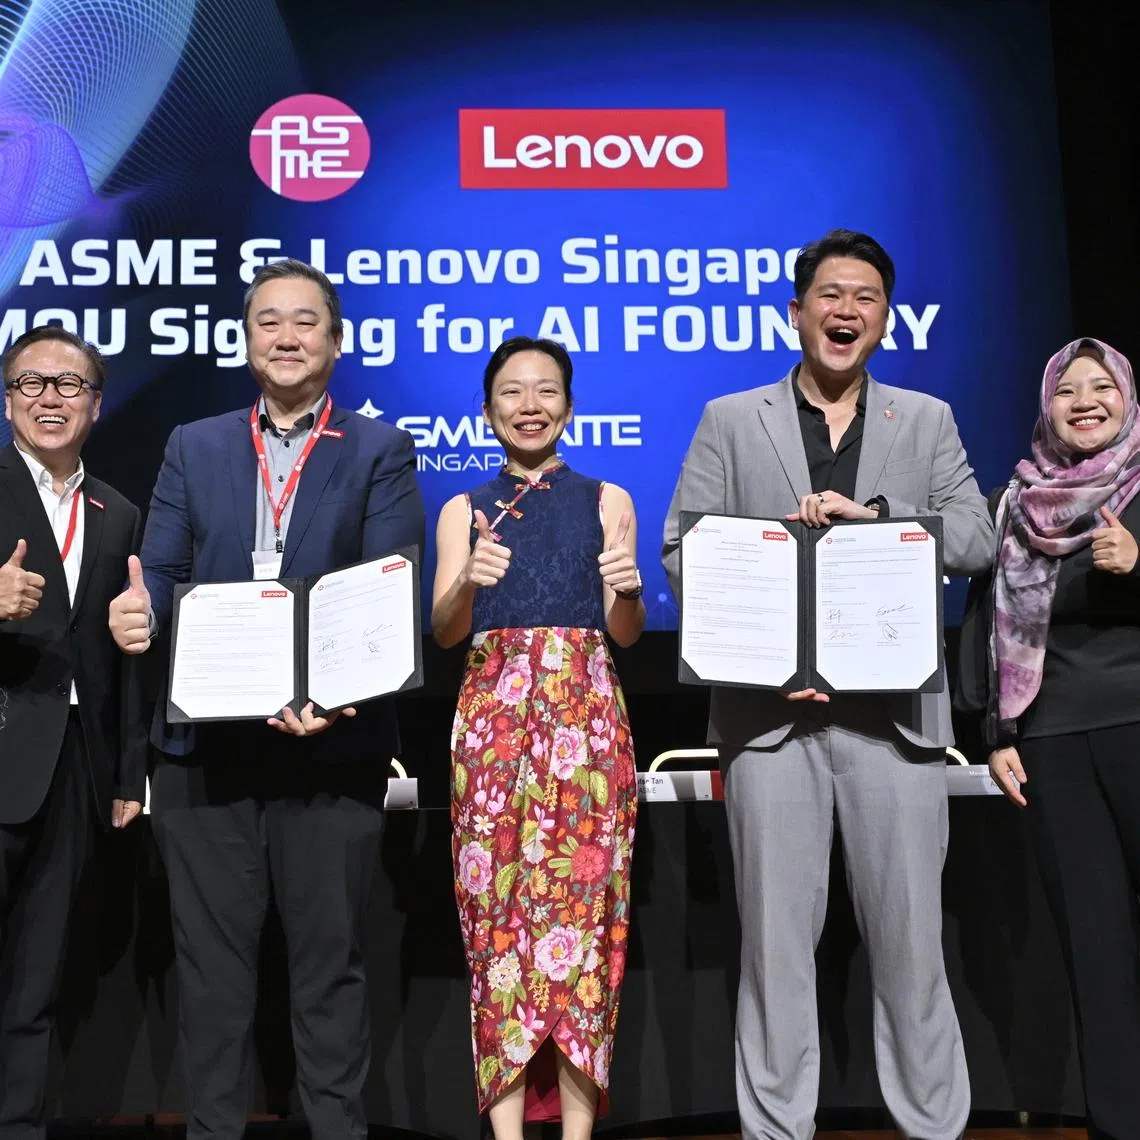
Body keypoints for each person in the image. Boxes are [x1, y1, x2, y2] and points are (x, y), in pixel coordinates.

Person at [663, 229, 992, 1140]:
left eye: (867, 298)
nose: (847, 311)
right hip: (772, 726)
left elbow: (977, 539)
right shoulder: (733, 418)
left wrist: (880, 519)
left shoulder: (923, 419)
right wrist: (764, 581)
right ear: (796, 309)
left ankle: (933, 1127)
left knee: (913, 952)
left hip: (895, 727)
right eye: (831, 295)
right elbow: (682, 549)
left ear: (887, 318)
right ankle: (776, 1130)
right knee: (774, 954)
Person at [107, 259, 425, 1140]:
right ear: (247, 340)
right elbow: (164, 572)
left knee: (328, 976)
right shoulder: (195, 443)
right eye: (267, 322)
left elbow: (388, 582)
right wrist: (141, 613)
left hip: (333, 746)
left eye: (304, 322)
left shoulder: (377, 447)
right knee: (210, 982)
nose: (286, 337)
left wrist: (334, 694)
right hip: (209, 750)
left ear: (336, 339)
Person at [432, 336, 641, 1140]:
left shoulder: (607, 498)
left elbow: (625, 633)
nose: (529, 405)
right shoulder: (463, 509)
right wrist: (464, 582)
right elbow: (446, 634)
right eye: (512, 392)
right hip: (494, 729)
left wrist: (626, 594)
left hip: (587, 726)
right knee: (499, 935)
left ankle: (580, 1132)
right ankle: (509, 1133)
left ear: (569, 406)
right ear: (487, 412)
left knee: (588, 931)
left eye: (546, 390)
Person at [979, 338, 1140, 1140]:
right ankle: (1119, 1123)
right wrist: (996, 729)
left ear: (1126, 396)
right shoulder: (1017, 500)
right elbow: (990, 619)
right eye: (1066, 390)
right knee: (1095, 944)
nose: (1084, 401)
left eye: (1100, 386)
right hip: (1051, 740)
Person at [0, 325, 146, 1139]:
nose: (49, 399)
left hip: (73, 775)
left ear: (96, 402)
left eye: (68, 385)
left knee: (36, 976)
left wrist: (127, 773)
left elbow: (118, 660)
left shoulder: (117, 511)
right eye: (31, 383)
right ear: (7, 397)